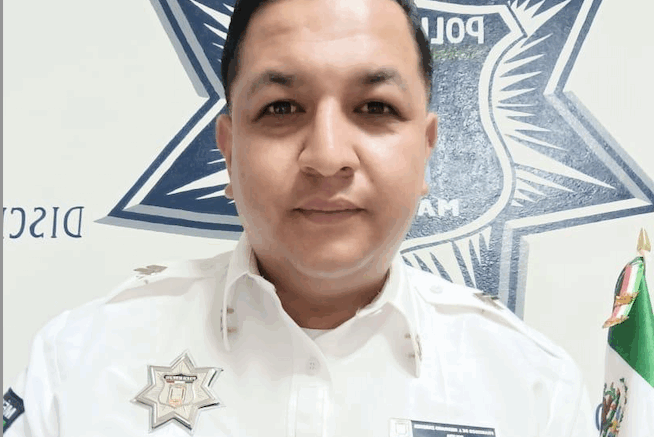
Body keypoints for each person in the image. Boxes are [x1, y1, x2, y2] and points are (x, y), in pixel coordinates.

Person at [3, 0, 596, 435]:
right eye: (282, 107)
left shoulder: (533, 390)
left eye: (375, 107)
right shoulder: (82, 364)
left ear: (426, 149)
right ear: (229, 150)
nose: (328, 157)